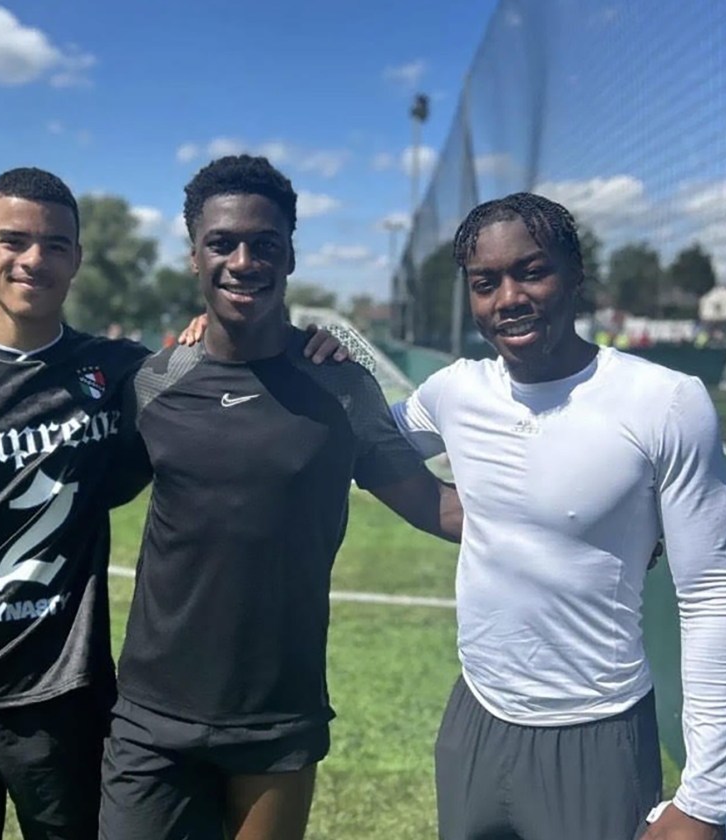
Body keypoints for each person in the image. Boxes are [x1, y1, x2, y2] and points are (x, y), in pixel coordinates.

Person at [0, 165, 347, 840]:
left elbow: (214, 366)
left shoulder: (119, 374)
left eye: (55, 244)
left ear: (77, 258)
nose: (34, 260)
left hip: (69, 708)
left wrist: (288, 341)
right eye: (14, 240)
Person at [97, 154, 463, 840]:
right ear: (194, 258)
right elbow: (90, 489)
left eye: (264, 244)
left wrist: (589, 523)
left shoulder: (340, 387)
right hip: (152, 716)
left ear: (290, 255)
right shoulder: (154, 383)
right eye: (222, 243)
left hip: (278, 715)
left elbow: (434, 505)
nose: (244, 260)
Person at [391, 193, 726, 840]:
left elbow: (710, 595)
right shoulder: (454, 391)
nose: (508, 298)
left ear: (576, 275)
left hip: (597, 733)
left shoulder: (664, 402)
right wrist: (304, 353)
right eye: (485, 282)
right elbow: (364, 449)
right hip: (474, 718)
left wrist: (705, 797)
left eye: (531, 271)